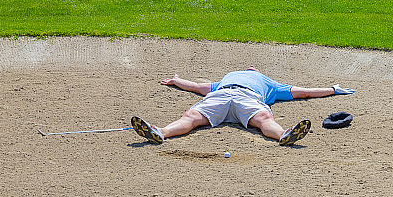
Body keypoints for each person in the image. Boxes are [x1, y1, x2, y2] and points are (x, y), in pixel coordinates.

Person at [131, 67, 354, 146]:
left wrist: (333, 89)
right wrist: (177, 80)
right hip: (221, 95)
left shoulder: (270, 84)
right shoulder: (225, 79)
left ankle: (285, 135)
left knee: (264, 121)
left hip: (249, 98)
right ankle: (159, 132)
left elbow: (303, 92)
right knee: (191, 116)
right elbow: (198, 87)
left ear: (257, 72)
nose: (250, 67)